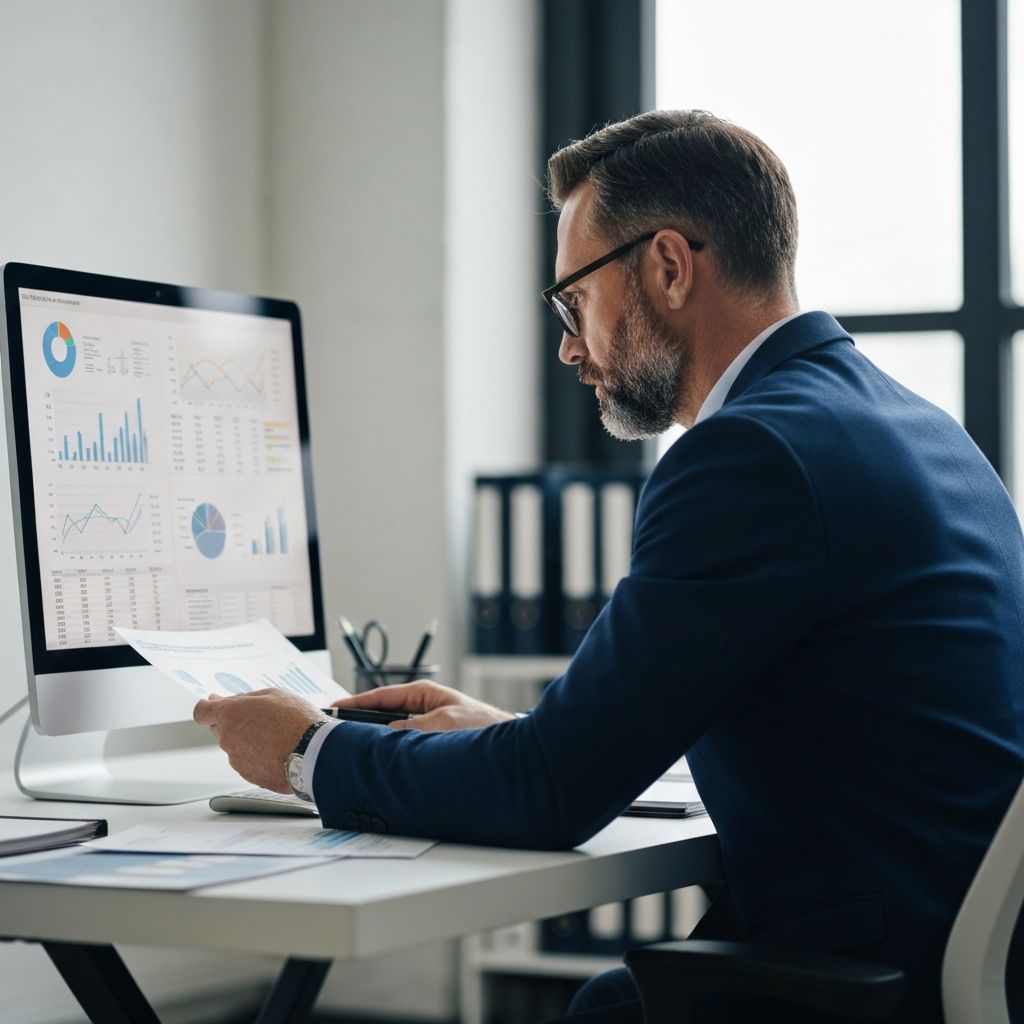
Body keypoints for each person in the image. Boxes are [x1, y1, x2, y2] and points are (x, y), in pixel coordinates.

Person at [194, 110, 1024, 1023]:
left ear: (668, 267)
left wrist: (307, 753)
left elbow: (549, 795)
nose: (569, 346)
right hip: (956, 954)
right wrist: (516, 734)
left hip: (877, 981)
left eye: (573, 299)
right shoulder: (919, 430)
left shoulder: (749, 456)